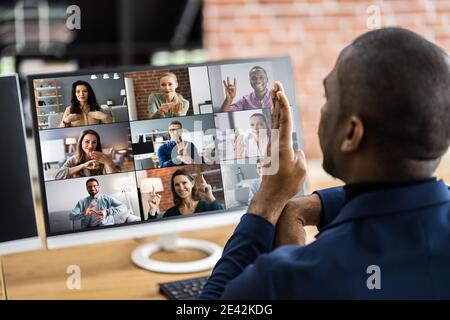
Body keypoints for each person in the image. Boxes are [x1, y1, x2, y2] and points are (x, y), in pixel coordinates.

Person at [201, 27, 450, 299]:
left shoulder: (284, 279)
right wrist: (315, 206)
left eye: (328, 97)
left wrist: (267, 202)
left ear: (352, 134)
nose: (322, 109)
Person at [147, 170, 223, 219]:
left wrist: (210, 197)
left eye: (184, 183)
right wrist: (152, 210)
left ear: (192, 183)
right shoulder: (170, 214)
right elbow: (154, 231)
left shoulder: (207, 206)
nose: (181, 188)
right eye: (177, 185)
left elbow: (223, 219)